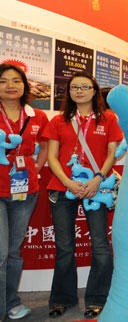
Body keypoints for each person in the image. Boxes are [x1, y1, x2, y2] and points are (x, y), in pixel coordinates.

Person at [44, 72, 122, 319]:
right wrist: (68, 182)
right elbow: (52, 157)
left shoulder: (108, 119)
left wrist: (97, 178)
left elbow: (112, 153)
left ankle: (97, 298)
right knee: (64, 246)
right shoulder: (58, 121)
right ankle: (62, 299)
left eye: (85, 87)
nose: (79, 91)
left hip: (95, 188)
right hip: (62, 187)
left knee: (100, 245)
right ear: (68, 92)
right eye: (74, 87)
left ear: (94, 91)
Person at [0, 64, 48, 320]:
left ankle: (10, 302)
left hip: (24, 190)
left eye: (16, 80)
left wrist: (36, 166)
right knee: (0, 253)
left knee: (13, 252)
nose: (10, 85)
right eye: (3, 81)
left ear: (24, 85)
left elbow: (45, 144)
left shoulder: (36, 115)